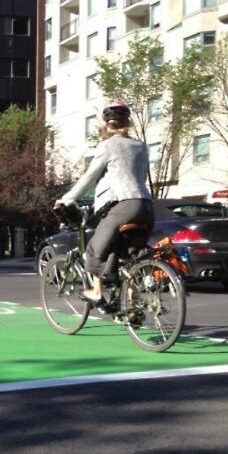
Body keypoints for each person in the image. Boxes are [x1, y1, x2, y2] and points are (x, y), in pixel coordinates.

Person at [55, 100, 154, 303]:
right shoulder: (141, 146)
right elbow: (139, 177)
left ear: (106, 124)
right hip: (146, 206)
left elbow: (89, 177)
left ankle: (97, 292)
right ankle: (132, 302)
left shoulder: (107, 146)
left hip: (124, 205)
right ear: (128, 122)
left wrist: (67, 199)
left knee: (95, 248)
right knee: (129, 256)